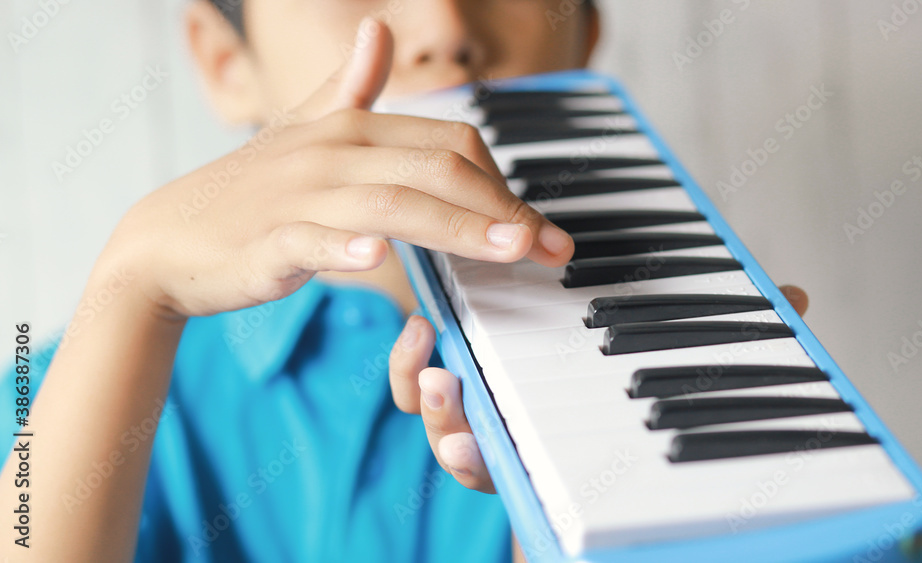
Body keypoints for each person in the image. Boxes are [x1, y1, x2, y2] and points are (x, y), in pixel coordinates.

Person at [0, 1, 807, 561]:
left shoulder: (688, 357)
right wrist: (130, 287)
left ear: (584, 34)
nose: (448, 30)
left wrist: (600, 509)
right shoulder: (51, 393)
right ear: (225, 60)